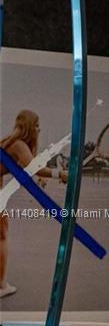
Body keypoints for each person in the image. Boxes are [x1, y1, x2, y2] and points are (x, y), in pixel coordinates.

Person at [0, 109, 68, 298]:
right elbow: (36, 168)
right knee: (1, 236)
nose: (39, 129)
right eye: (37, 125)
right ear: (29, 127)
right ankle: (1, 286)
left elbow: (24, 170)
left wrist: (40, 178)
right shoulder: (19, 145)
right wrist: (59, 173)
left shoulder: (10, 142)